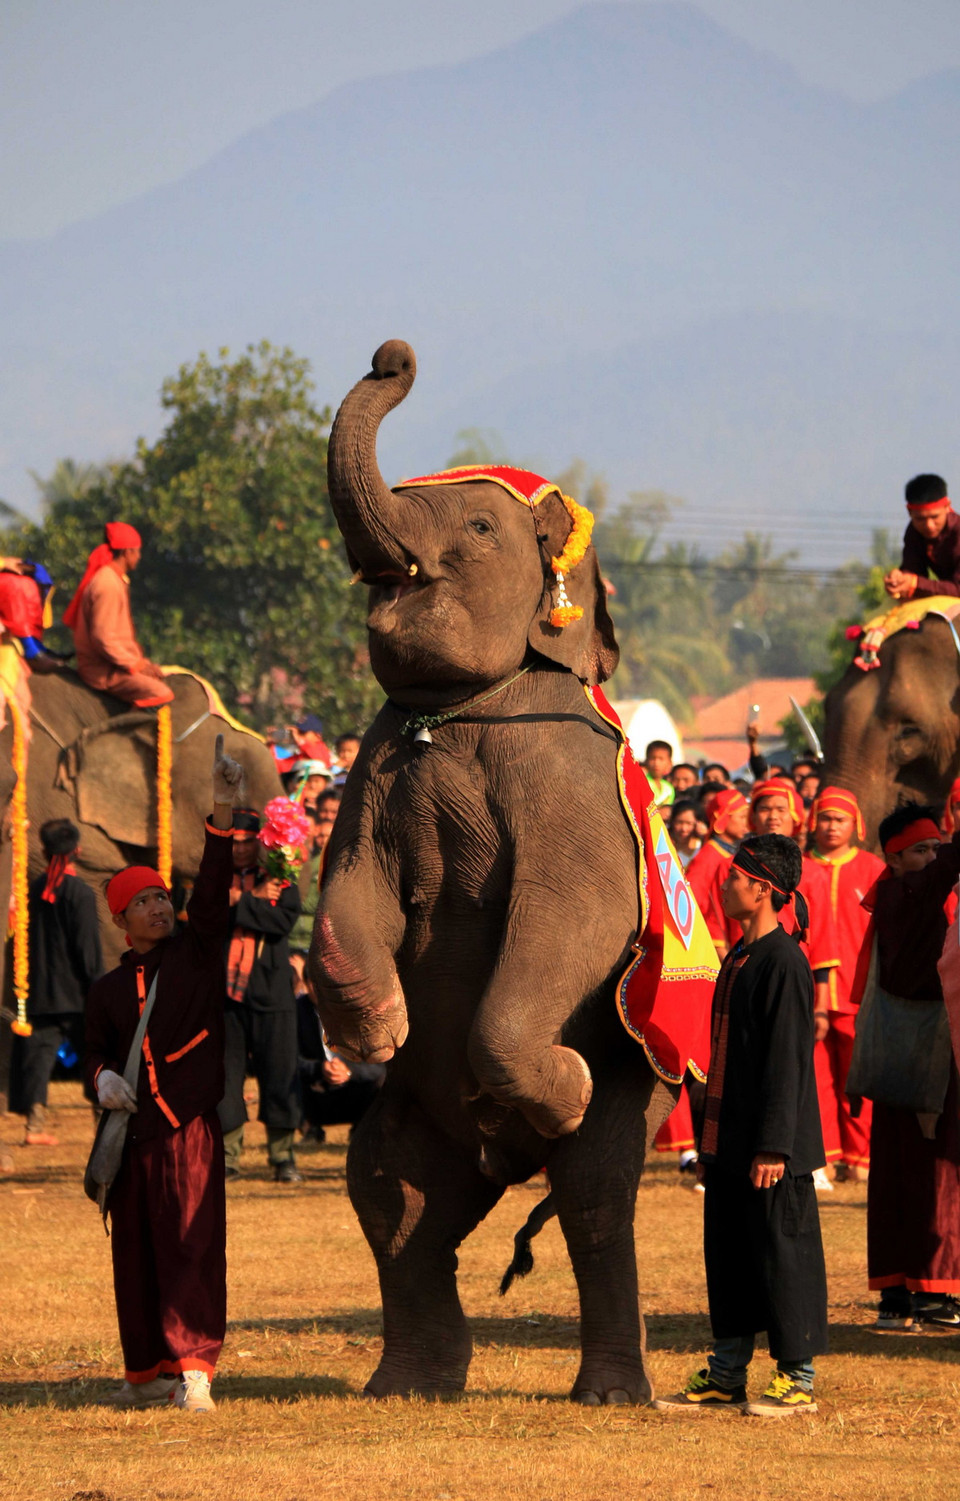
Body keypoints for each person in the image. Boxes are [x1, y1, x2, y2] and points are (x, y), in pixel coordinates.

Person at [84, 733, 243, 1412]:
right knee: (137, 1257)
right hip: (134, 1136)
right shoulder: (106, 990)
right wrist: (100, 1081)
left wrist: (223, 812)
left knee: (191, 1247)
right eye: (143, 901)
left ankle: (196, 1372)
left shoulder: (197, 954)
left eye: (159, 896)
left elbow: (210, 891)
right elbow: (92, 1049)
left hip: (189, 1133)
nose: (158, 906)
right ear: (122, 919)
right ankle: (145, 1372)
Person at [655, 835, 828, 1417]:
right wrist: (713, 1140)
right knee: (729, 1256)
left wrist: (775, 1145)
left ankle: (796, 1379)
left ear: (761, 890)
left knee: (783, 1255)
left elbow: (787, 1060)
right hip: (731, 1142)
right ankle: (727, 1374)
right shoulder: (738, 957)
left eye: (733, 877)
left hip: (773, 1146)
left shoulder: (784, 961)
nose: (723, 885)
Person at [859, 805, 960, 1332]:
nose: (932, 857)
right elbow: (950, 866)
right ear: (893, 860)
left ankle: (897, 1293)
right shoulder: (908, 895)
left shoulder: (903, 895)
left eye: (935, 846)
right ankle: (935, 1293)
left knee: (901, 1175)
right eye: (922, 849)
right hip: (925, 1056)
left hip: (905, 1051)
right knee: (936, 1173)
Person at [218, 809, 303, 1183]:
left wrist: (237, 904)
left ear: (261, 841)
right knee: (224, 1079)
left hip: (272, 992)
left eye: (246, 842)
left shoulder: (281, 878)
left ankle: (283, 1157)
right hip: (224, 996)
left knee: (280, 1074)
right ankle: (227, 1158)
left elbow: (282, 922)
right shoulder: (213, 880)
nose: (239, 850)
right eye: (232, 843)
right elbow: (203, 920)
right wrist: (251, 899)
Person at [805, 787, 884, 1182]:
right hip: (810, 994)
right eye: (826, 818)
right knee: (816, 1079)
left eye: (840, 820)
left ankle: (861, 1158)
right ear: (812, 822)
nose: (832, 826)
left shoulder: (873, 869)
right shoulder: (800, 868)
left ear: (856, 825)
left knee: (861, 1080)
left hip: (860, 992)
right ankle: (824, 1156)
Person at [20, 819, 102, 1145]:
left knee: (38, 1061)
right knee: (97, 1058)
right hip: (77, 995)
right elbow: (88, 948)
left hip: (41, 991)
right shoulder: (79, 893)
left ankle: (34, 1127)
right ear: (77, 851)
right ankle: (103, 1121)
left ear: (44, 850)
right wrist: (98, 986)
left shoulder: (35, 888)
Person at [64, 522, 173, 707]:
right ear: (126, 552)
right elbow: (103, 638)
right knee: (161, 693)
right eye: (137, 551)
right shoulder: (107, 584)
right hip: (103, 671)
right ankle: (117, 736)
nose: (139, 557)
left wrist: (142, 664)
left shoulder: (114, 579)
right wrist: (135, 665)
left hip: (116, 665)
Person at [296, 964, 384, 1140]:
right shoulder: (294, 1012)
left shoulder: (355, 1010)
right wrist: (319, 1068)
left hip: (353, 1085)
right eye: (314, 983)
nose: (321, 990)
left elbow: (376, 1060)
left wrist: (348, 1071)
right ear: (305, 984)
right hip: (315, 1087)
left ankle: (362, 1130)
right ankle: (311, 1130)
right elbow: (286, 1059)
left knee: (381, 1079)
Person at [686, 789, 750, 957]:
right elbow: (692, 903)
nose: (747, 823)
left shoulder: (726, 853)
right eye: (742, 817)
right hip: (713, 944)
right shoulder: (708, 856)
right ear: (723, 818)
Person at [883, 473, 960, 602]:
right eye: (920, 519)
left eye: (935, 517)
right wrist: (899, 580)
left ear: (947, 506)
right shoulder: (914, 531)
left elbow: (957, 590)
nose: (929, 526)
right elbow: (913, 572)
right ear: (909, 512)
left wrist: (915, 583)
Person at [290, 789, 340, 956]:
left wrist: (293, 904)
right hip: (293, 936)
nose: (328, 815)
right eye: (319, 834)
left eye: (334, 811)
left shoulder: (334, 860)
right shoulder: (297, 857)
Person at [668, 799, 701, 870]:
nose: (684, 829)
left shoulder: (700, 846)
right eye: (679, 822)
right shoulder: (663, 841)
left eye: (689, 823)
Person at [643, 740, 675, 807]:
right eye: (652, 758)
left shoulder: (668, 788)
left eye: (661, 759)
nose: (656, 763)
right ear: (646, 761)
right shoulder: (642, 783)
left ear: (670, 763)